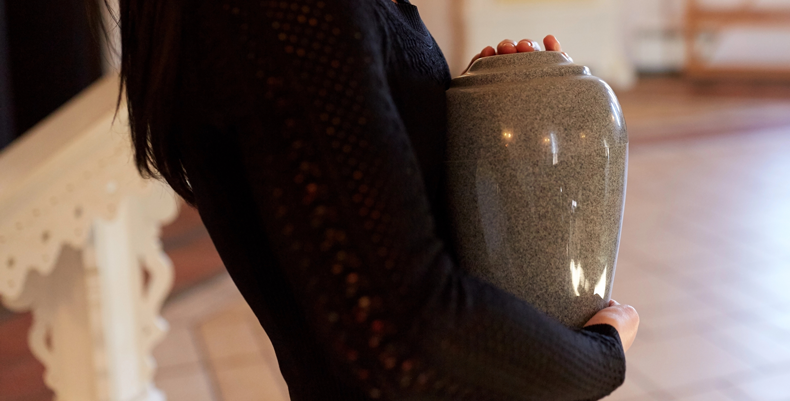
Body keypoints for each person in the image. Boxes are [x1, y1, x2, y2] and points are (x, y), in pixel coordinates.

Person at [115, 0, 639, 399]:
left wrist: (479, 111)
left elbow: (375, 206)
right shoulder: (292, 13)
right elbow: (404, 339)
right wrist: (600, 354)